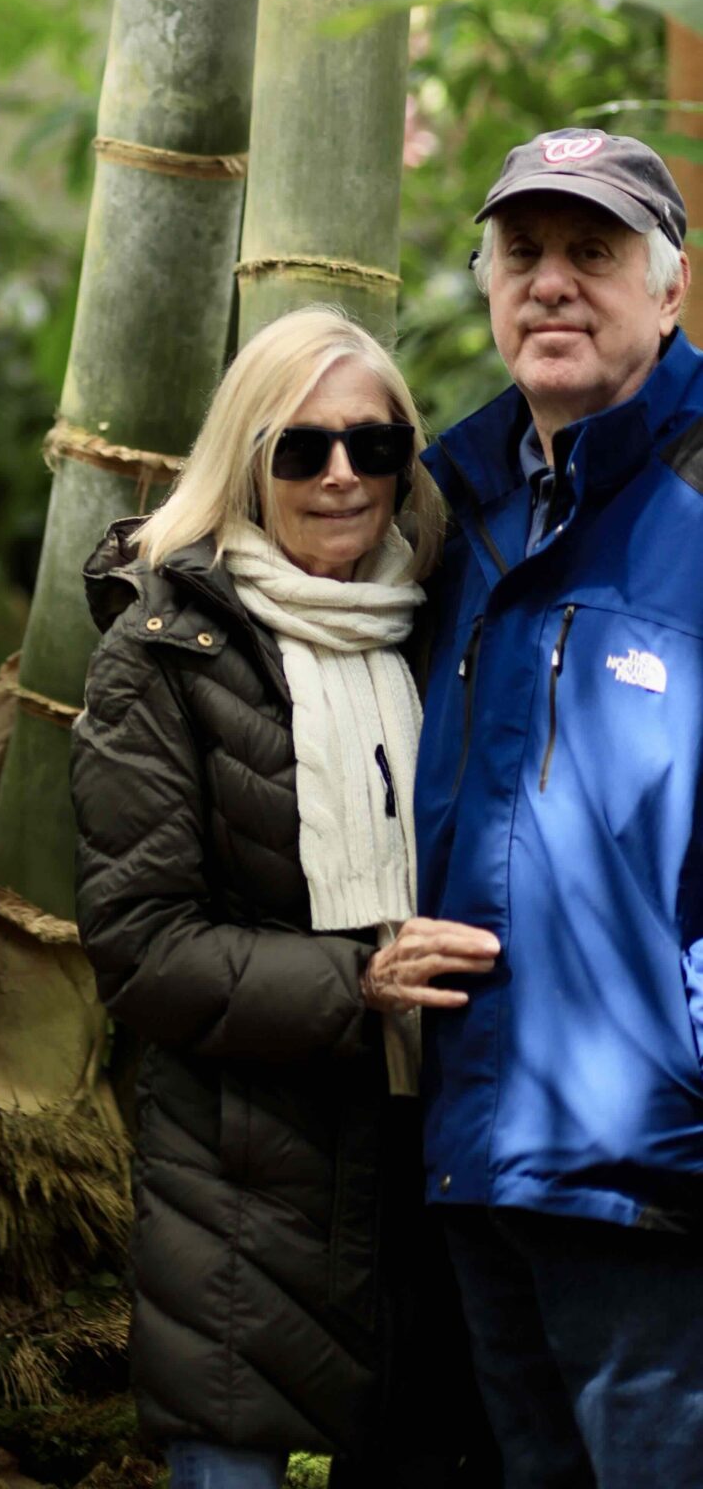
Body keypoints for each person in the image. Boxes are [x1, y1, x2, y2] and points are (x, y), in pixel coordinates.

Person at [71, 305, 496, 1488]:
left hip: (429, 1161)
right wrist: (359, 975)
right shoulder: (162, 651)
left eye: (376, 445)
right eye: (302, 447)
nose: (343, 474)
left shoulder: (450, 630)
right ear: (246, 462)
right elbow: (140, 945)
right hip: (242, 1183)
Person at [415, 128, 703, 1489]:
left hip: (656, 1172)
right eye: (519, 254)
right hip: (480, 1155)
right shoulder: (456, 513)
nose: (548, 284)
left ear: (667, 291)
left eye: (590, 253)